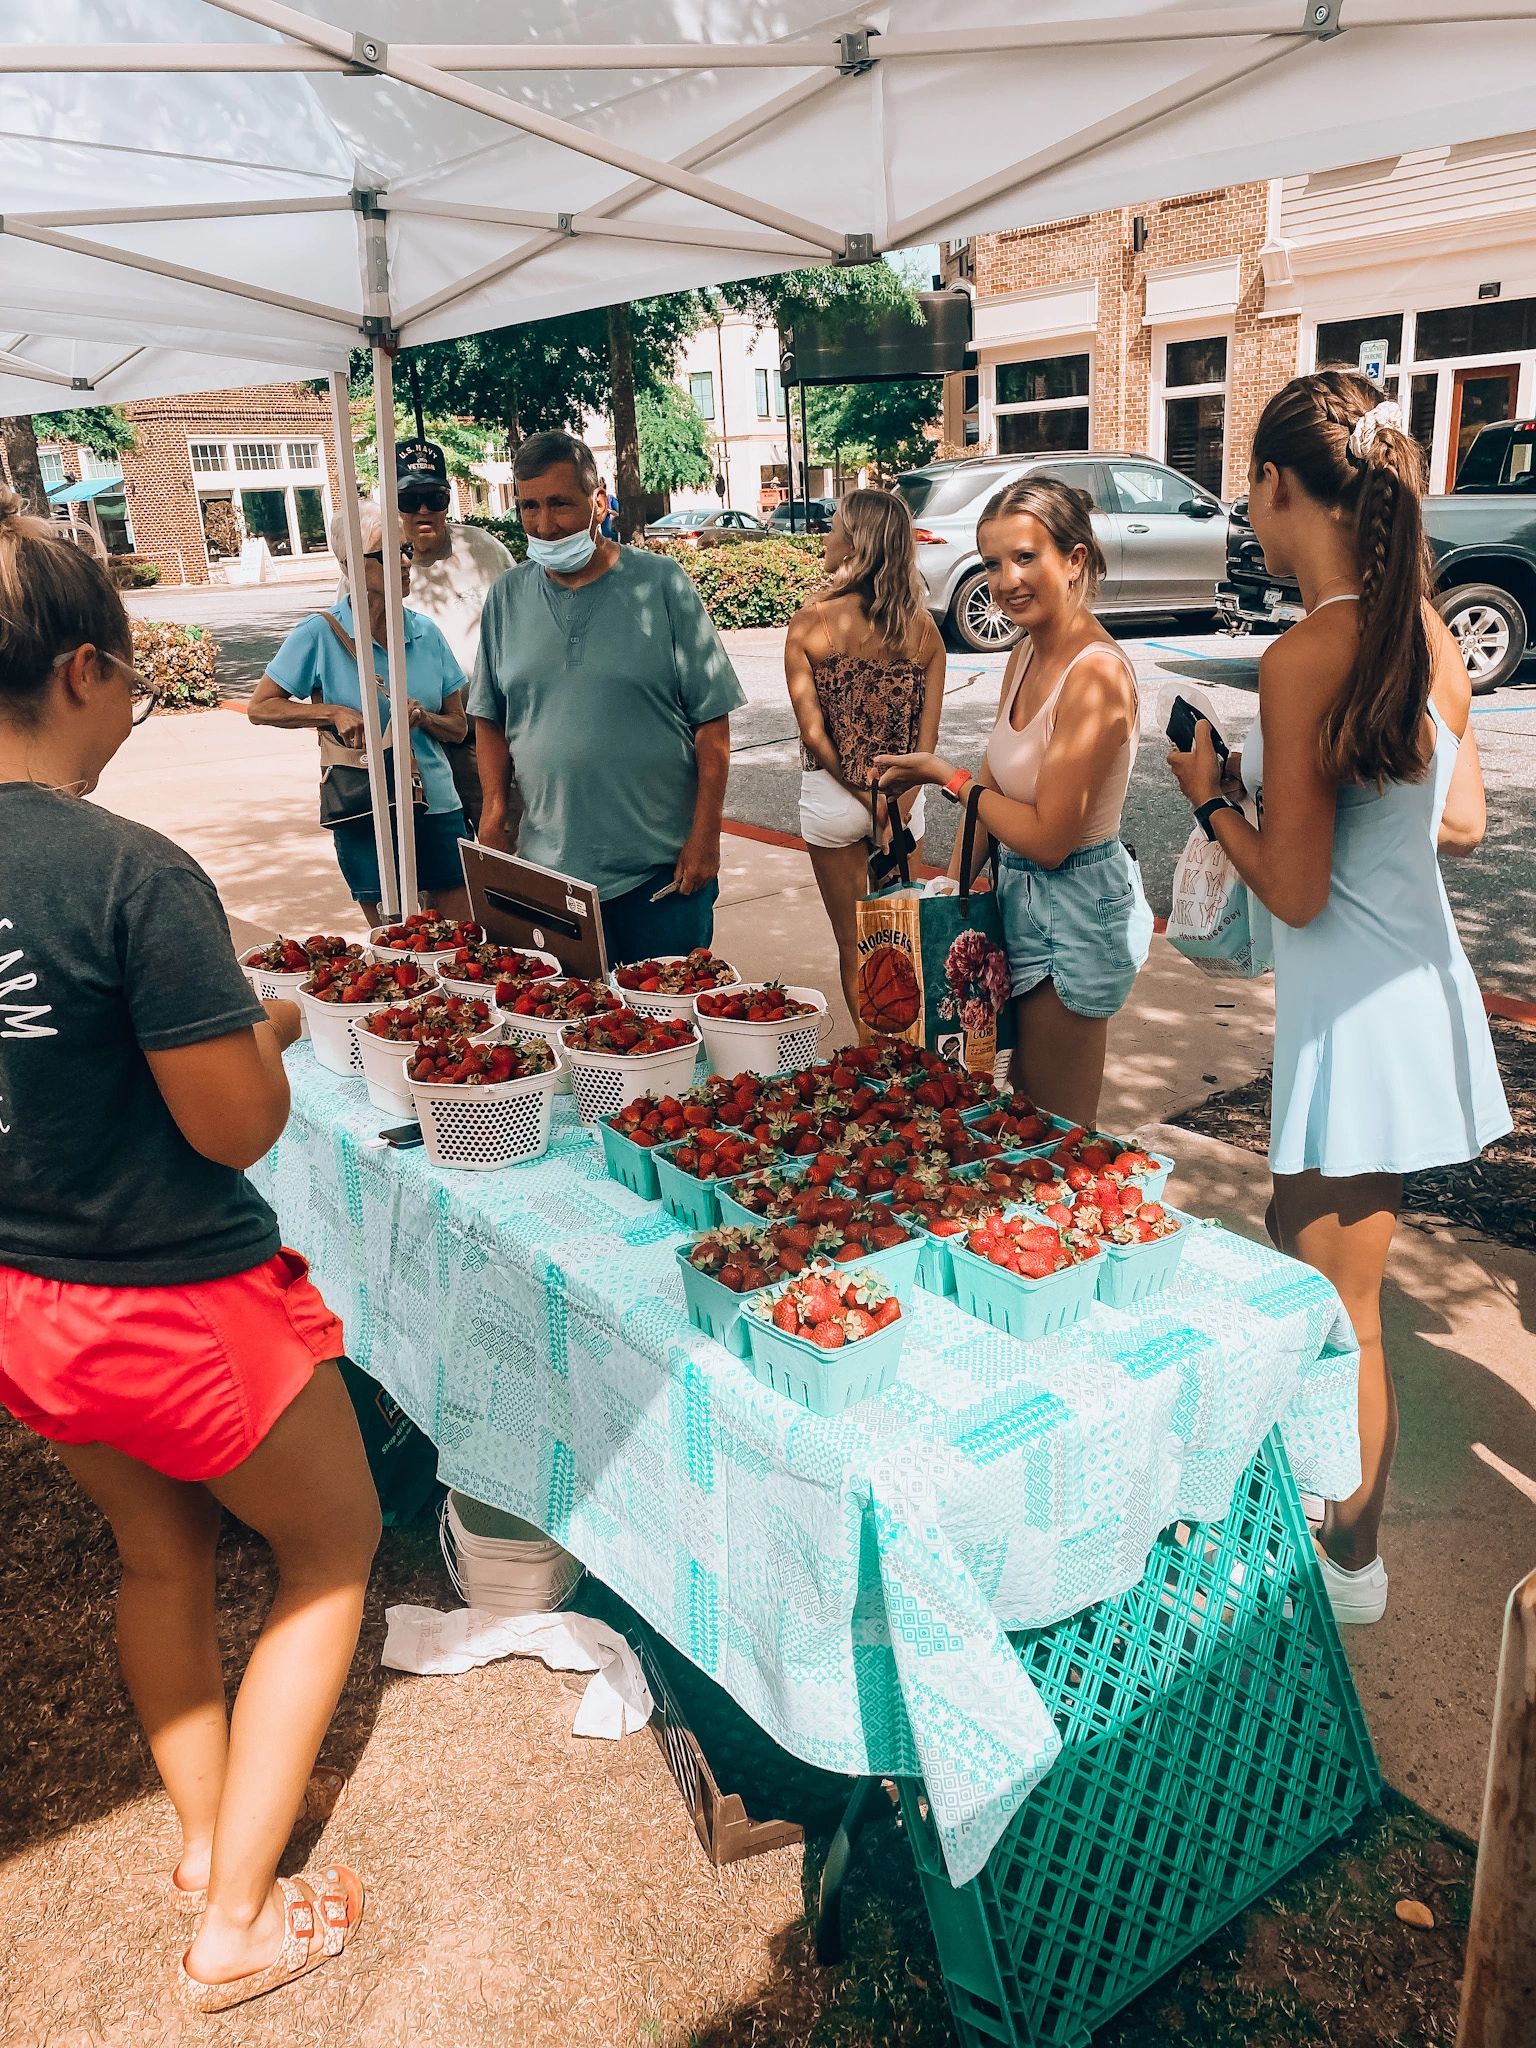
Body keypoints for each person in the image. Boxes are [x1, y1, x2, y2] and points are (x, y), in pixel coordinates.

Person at [0, 489, 374, 2011]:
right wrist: (266, 1028)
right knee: (333, 1545)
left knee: (158, 1553)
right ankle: (234, 1926)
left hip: (26, 1301)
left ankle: (216, 1841)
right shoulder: (128, 872)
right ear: (83, 669)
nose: (130, 720)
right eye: (133, 688)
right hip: (174, 1298)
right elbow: (233, 1128)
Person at [1168, 372, 1510, 1626]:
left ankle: (1352, 1565)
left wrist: (1214, 796)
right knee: (1303, 1240)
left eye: (1247, 490)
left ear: (1275, 485)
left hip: (1357, 1009)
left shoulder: (1307, 655)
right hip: (1398, 994)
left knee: (1342, 1306)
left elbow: (1297, 891)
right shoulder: (1422, 636)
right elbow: (1461, 823)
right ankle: (1340, 1530)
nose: (1246, 514)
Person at [875, 476, 1152, 1123]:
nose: (1006, 581)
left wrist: (946, 776)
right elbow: (995, 789)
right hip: (1013, 901)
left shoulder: (1095, 675)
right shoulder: (1024, 654)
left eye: (1025, 557)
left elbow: (1049, 839)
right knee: (1010, 1113)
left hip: (1074, 911)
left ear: (1074, 559)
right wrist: (948, 891)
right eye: (993, 562)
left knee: (1055, 1130)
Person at [470, 430, 746, 966]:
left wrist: (706, 836)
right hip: (549, 874)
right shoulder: (507, 595)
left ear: (598, 502)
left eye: (559, 504)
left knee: (664, 1015)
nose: (544, 525)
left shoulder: (661, 584)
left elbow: (712, 722)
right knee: (566, 1016)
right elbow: (490, 716)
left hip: (661, 875)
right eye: (529, 506)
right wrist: (495, 809)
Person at [249, 503, 473, 929]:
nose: (404, 562)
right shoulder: (320, 633)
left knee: (456, 938)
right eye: (386, 554)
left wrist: (424, 718)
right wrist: (331, 713)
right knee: (395, 941)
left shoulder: (426, 633)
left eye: (406, 550)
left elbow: (458, 726)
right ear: (348, 564)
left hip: (435, 802)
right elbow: (261, 707)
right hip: (362, 802)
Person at [785, 488, 945, 1019]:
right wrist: (891, 803)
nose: (826, 537)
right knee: (903, 944)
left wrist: (862, 793)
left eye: (834, 527)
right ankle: (910, 1056)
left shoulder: (811, 623)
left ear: (856, 542)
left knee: (853, 946)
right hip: (903, 803)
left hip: (833, 796)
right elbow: (926, 744)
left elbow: (814, 734)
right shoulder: (923, 631)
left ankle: (869, 1055)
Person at [391, 437, 515, 836]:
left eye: (435, 498)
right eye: (410, 500)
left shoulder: (482, 549)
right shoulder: (373, 564)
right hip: (418, 743)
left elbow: (523, 619)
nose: (423, 511)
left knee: (505, 845)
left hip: (485, 735)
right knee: (438, 857)